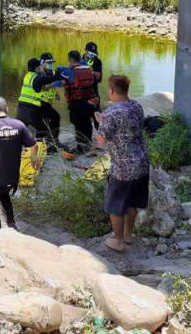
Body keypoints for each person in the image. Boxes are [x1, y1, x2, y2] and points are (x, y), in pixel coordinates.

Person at [94, 75, 149, 253]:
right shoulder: (136, 106)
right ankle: (127, 235)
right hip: (141, 162)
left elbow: (101, 141)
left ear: (111, 91)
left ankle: (118, 242)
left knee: (115, 205)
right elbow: (126, 127)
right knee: (132, 201)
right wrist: (105, 122)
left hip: (123, 167)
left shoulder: (111, 113)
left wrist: (99, 125)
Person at [0, 97, 38, 230]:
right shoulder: (19, 125)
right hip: (12, 178)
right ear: (7, 109)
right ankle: (11, 223)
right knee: (5, 195)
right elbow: (33, 145)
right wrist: (35, 161)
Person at [16, 56, 60, 150]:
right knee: (44, 130)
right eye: (39, 67)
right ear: (36, 68)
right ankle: (46, 149)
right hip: (30, 112)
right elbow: (47, 80)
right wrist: (58, 76)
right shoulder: (36, 78)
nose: (40, 68)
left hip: (20, 110)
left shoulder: (27, 76)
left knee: (20, 133)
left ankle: (19, 151)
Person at [61, 50, 99, 152]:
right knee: (87, 123)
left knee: (78, 125)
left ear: (69, 60)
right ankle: (88, 143)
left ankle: (81, 147)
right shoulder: (90, 70)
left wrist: (67, 99)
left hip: (76, 103)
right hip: (89, 103)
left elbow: (66, 88)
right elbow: (94, 85)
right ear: (79, 59)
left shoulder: (69, 72)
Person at [83, 42, 103, 127]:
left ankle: (101, 137)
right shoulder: (79, 61)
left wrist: (88, 71)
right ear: (86, 51)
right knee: (84, 120)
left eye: (94, 53)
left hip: (93, 92)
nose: (93, 55)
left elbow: (98, 77)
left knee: (97, 117)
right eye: (91, 52)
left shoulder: (97, 61)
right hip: (82, 94)